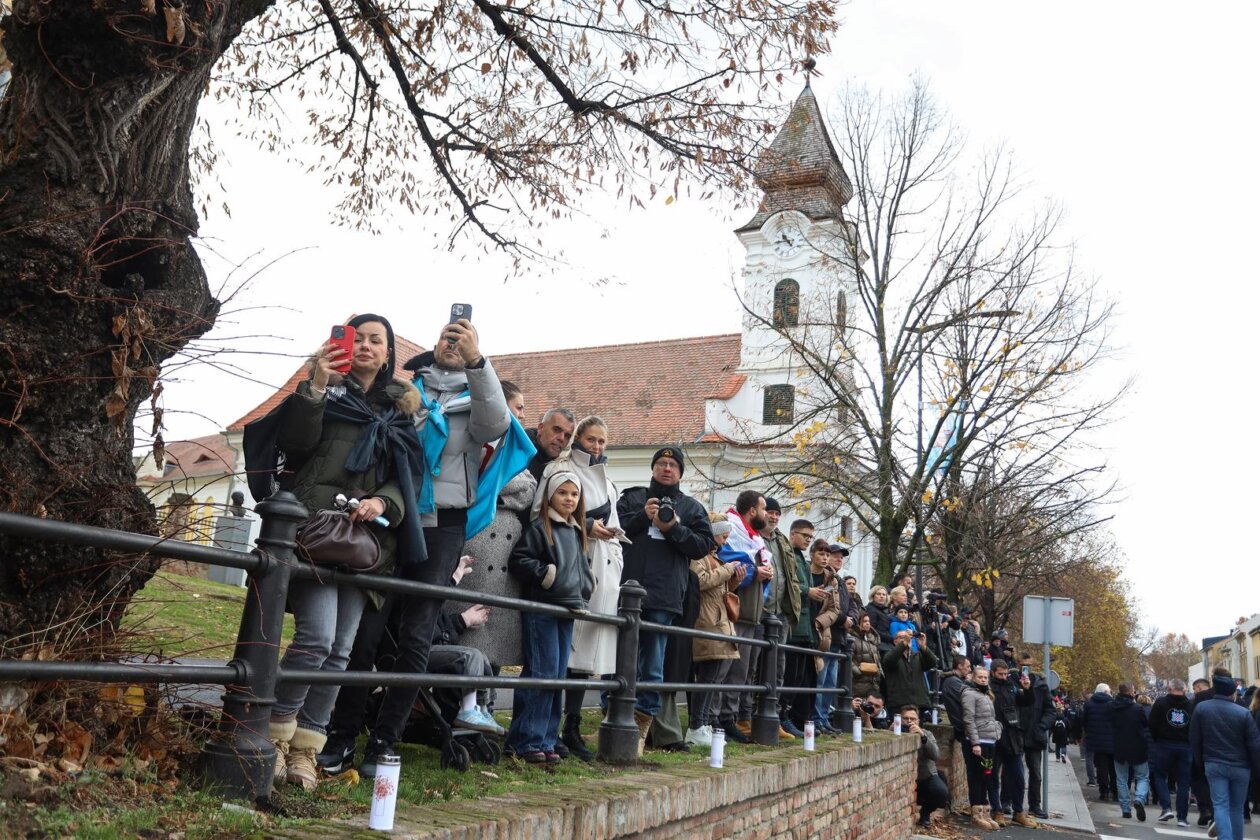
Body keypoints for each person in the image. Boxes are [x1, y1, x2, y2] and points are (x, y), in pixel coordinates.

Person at [261, 314, 424, 790]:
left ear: (389, 353)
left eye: (378, 341)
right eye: (361, 338)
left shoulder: (400, 410)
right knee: (315, 640)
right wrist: (315, 384)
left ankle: (305, 751)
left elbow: (408, 476)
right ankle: (272, 735)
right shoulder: (323, 389)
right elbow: (294, 445)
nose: (368, 347)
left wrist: (383, 502)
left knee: (341, 651)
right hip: (314, 528)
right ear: (344, 344)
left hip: (366, 541)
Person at [357, 315, 511, 776]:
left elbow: (496, 424)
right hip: (396, 514)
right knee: (368, 626)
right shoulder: (409, 393)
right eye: (446, 336)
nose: (452, 342)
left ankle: (383, 741)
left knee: (417, 634)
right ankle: (343, 733)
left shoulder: (478, 395)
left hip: (444, 521)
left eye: (460, 339)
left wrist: (477, 361)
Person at [617, 446, 714, 754]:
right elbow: (614, 530)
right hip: (628, 588)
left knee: (653, 661)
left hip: (665, 595)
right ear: (653, 468)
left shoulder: (693, 507)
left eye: (673, 464)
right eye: (661, 463)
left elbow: (702, 546)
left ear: (681, 473)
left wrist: (673, 529)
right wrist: (640, 518)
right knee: (619, 658)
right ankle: (615, 716)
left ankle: (642, 725)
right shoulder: (633, 498)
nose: (667, 469)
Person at [506, 471, 595, 762]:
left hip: (567, 609)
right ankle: (525, 740)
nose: (569, 499)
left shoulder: (576, 530)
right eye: (563, 493)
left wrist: (586, 586)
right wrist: (546, 575)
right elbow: (520, 560)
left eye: (574, 494)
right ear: (550, 496)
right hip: (543, 608)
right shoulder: (539, 528)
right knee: (541, 674)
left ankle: (546, 738)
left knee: (556, 676)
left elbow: (581, 567)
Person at [561, 416, 625, 761]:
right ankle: (551, 726)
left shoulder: (610, 482)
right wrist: (587, 526)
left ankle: (571, 725)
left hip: (605, 569)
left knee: (587, 656)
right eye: (591, 439)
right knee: (568, 649)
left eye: (602, 441)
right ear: (578, 439)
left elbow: (614, 523)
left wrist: (615, 545)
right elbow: (553, 510)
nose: (597, 446)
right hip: (577, 563)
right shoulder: (565, 468)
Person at [716, 491, 769, 743]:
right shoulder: (731, 529)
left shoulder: (755, 538)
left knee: (741, 672)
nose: (767, 515)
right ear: (751, 511)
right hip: (733, 611)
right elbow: (727, 562)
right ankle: (717, 720)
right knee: (725, 669)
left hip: (751, 613)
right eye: (764, 509)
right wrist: (754, 573)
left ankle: (731, 717)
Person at [684, 517, 741, 747]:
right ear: (713, 532)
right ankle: (696, 725)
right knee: (707, 677)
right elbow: (699, 581)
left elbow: (717, 590)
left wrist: (735, 580)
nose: (726, 542)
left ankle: (704, 722)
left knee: (714, 678)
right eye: (723, 536)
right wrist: (727, 571)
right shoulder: (700, 554)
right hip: (708, 622)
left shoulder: (714, 556)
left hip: (719, 622)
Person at [1190, 670, 1260, 840]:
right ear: (1232, 693)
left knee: (1220, 805)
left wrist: (1200, 761)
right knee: (1236, 808)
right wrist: (1256, 768)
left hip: (1214, 763)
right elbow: (1254, 744)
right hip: (1240, 766)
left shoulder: (1201, 708)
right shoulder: (1243, 713)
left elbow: (1194, 738)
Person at [760, 500, 806, 737]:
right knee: (754, 666)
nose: (774, 517)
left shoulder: (781, 541)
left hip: (781, 613)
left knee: (778, 668)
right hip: (760, 611)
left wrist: (793, 605)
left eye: (778, 513)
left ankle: (773, 717)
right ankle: (746, 716)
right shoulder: (754, 535)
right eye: (770, 512)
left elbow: (791, 576)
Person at [990, 659, 1037, 828]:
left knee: (1018, 776)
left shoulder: (1011, 686)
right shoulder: (989, 688)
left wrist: (1027, 688)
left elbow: (1027, 701)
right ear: (993, 672)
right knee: (993, 778)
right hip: (995, 738)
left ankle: (1018, 812)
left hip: (1013, 737)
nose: (1003, 677)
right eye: (1000, 674)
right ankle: (997, 810)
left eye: (1005, 674)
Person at [961, 666, 1002, 830]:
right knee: (977, 777)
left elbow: (991, 718)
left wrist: (998, 729)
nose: (984, 680)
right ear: (973, 678)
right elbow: (969, 719)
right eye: (980, 677)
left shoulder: (985, 695)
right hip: (979, 742)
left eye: (986, 677)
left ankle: (985, 811)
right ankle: (976, 812)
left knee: (987, 777)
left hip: (990, 741)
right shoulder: (969, 694)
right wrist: (975, 743)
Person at [1149, 678, 1194, 825]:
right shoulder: (1190, 705)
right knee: (1183, 782)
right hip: (1185, 746)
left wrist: (1158, 739)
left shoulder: (1161, 703)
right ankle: (1182, 817)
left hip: (1164, 744)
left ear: (1170, 689)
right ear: (1184, 690)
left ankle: (1166, 807)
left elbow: (1152, 724)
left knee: (1160, 776)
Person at [1017, 654, 1056, 819]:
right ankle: (1011, 803)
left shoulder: (1041, 685)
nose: (1026, 667)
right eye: (1023, 664)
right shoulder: (1013, 681)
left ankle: (1035, 805)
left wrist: (1041, 726)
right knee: (1014, 772)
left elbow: (1050, 710)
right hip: (1017, 733)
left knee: (1035, 773)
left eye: (1028, 664)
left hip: (1035, 734)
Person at [1109, 682, 1151, 821]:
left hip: (1119, 747)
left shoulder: (1112, 707)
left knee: (1121, 779)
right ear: (1130, 692)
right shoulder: (1137, 708)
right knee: (1143, 777)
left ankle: (1125, 809)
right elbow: (1145, 724)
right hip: (1137, 747)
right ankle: (1139, 798)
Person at [904, 706, 950, 828]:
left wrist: (923, 737)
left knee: (941, 793)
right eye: (905, 718)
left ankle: (925, 813)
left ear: (918, 720)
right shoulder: (895, 730)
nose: (909, 721)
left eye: (912, 718)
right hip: (903, 778)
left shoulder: (927, 733)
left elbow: (935, 755)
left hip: (925, 776)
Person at [882, 629, 936, 715]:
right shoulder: (889, 654)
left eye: (909, 638)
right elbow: (889, 660)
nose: (907, 639)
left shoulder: (917, 655)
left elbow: (933, 662)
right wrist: (903, 644)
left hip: (919, 704)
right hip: (899, 704)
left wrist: (923, 646)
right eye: (903, 637)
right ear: (895, 641)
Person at [1081, 682, 1118, 803]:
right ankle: (1115, 792)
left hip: (1096, 742)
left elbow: (1084, 722)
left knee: (1101, 769)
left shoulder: (1089, 704)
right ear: (1107, 692)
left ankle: (1104, 792)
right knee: (1113, 769)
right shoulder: (1113, 704)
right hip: (1113, 741)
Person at [526, 408, 575, 482]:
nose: (561, 438)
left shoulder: (564, 470)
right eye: (556, 430)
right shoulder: (515, 453)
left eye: (567, 436)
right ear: (541, 428)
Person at [849, 612, 884, 702]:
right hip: (858, 683)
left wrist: (879, 673)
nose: (868, 623)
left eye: (868, 621)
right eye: (864, 621)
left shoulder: (872, 641)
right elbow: (849, 659)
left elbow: (878, 660)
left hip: (873, 683)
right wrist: (858, 672)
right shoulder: (852, 639)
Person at [865, 586, 892, 651]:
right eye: (878, 594)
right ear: (873, 596)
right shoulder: (871, 609)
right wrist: (889, 637)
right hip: (877, 644)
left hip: (885, 642)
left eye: (884, 594)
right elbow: (871, 629)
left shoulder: (883, 610)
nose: (881, 596)